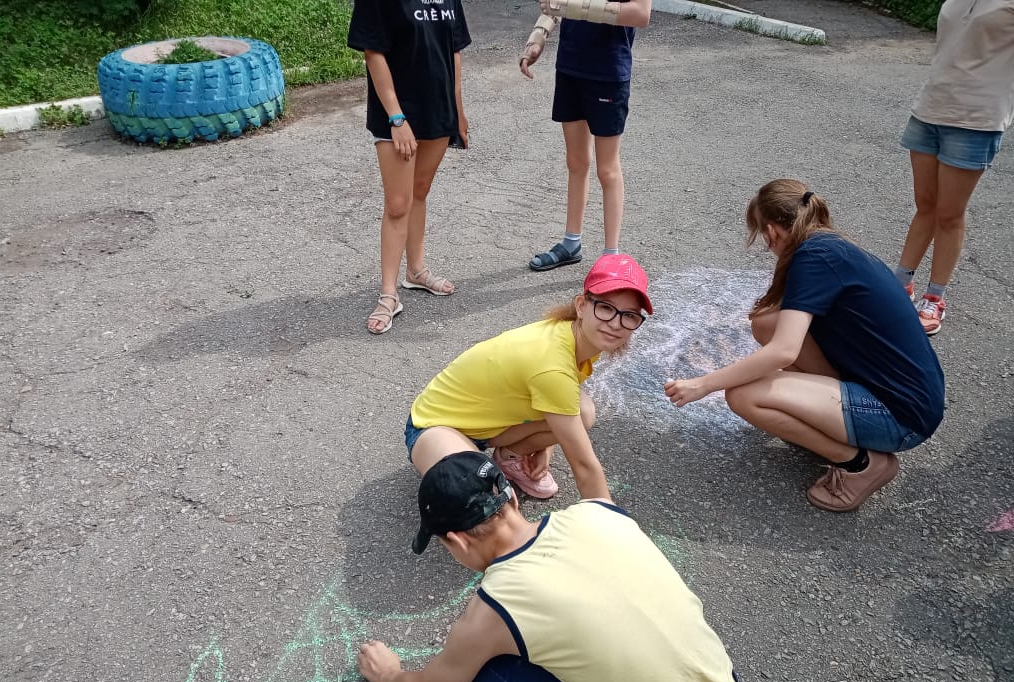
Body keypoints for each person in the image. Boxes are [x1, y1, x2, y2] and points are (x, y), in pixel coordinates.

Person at [358, 451, 742, 682]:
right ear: (511, 499)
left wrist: (389, 673)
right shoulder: (596, 512)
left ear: (457, 541)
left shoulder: (494, 609)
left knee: (488, 671)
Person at [664, 179, 945, 512]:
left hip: (900, 417)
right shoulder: (828, 246)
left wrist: (703, 384)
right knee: (766, 322)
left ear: (771, 231)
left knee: (743, 395)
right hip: (906, 395)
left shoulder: (811, 259)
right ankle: (835, 425)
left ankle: (861, 464)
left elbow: (784, 351)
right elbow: (775, 327)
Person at [406, 253, 652, 500]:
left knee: (582, 411)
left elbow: (552, 401)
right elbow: (584, 466)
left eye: (629, 315)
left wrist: (545, 446)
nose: (616, 323)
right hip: (434, 427)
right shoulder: (552, 363)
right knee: (486, 503)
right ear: (581, 306)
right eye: (606, 308)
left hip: (486, 426)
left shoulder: (582, 337)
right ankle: (472, 463)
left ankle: (509, 456)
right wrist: (612, 528)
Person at [347, 0, 471, 335]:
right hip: (398, 115)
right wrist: (396, 118)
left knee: (419, 192)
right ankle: (389, 294)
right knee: (398, 204)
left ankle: (416, 272)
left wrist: (458, 110)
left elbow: (454, 49)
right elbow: (373, 53)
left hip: (439, 110)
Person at [893, 0, 1014, 335]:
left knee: (949, 213)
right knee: (925, 206)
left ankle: (935, 297)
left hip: (976, 120)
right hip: (929, 109)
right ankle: (901, 284)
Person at [519, 0, 653, 271]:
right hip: (570, 66)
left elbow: (640, 14)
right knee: (576, 162)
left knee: (607, 170)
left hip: (608, 72)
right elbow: (557, 4)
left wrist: (572, 7)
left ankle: (611, 257)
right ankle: (571, 243)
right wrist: (538, 37)